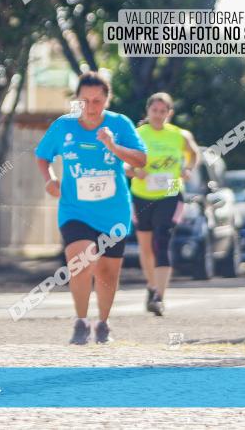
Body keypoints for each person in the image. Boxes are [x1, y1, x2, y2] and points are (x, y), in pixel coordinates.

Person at [35, 72, 146, 344]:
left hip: (113, 212)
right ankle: (81, 321)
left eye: (97, 100)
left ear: (107, 99)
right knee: (81, 260)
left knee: (108, 272)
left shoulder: (120, 124)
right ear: (77, 100)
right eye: (85, 101)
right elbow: (42, 156)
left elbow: (141, 160)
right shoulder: (63, 127)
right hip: (75, 210)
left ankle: (103, 323)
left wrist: (112, 145)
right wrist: (50, 179)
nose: (91, 107)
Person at [127, 93, 200, 316]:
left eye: (163, 111)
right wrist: (133, 171)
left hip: (170, 191)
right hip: (142, 193)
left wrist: (187, 169)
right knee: (146, 245)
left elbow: (194, 154)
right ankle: (151, 286)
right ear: (147, 111)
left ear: (169, 114)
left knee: (162, 239)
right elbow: (123, 163)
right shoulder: (137, 134)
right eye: (154, 111)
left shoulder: (179, 135)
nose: (158, 115)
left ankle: (159, 296)